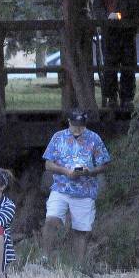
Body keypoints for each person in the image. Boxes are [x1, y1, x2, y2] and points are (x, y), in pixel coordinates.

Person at [40, 109, 111, 266]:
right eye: (75, 125)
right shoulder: (58, 137)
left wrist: (90, 171)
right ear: (69, 122)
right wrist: (66, 171)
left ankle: (79, 265)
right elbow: (48, 163)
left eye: (81, 125)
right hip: (61, 187)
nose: (78, 129)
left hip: (85, 190)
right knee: (51, 220)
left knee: (81, 229)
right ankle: (44, 258)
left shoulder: (94, 138)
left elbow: (104, 163)